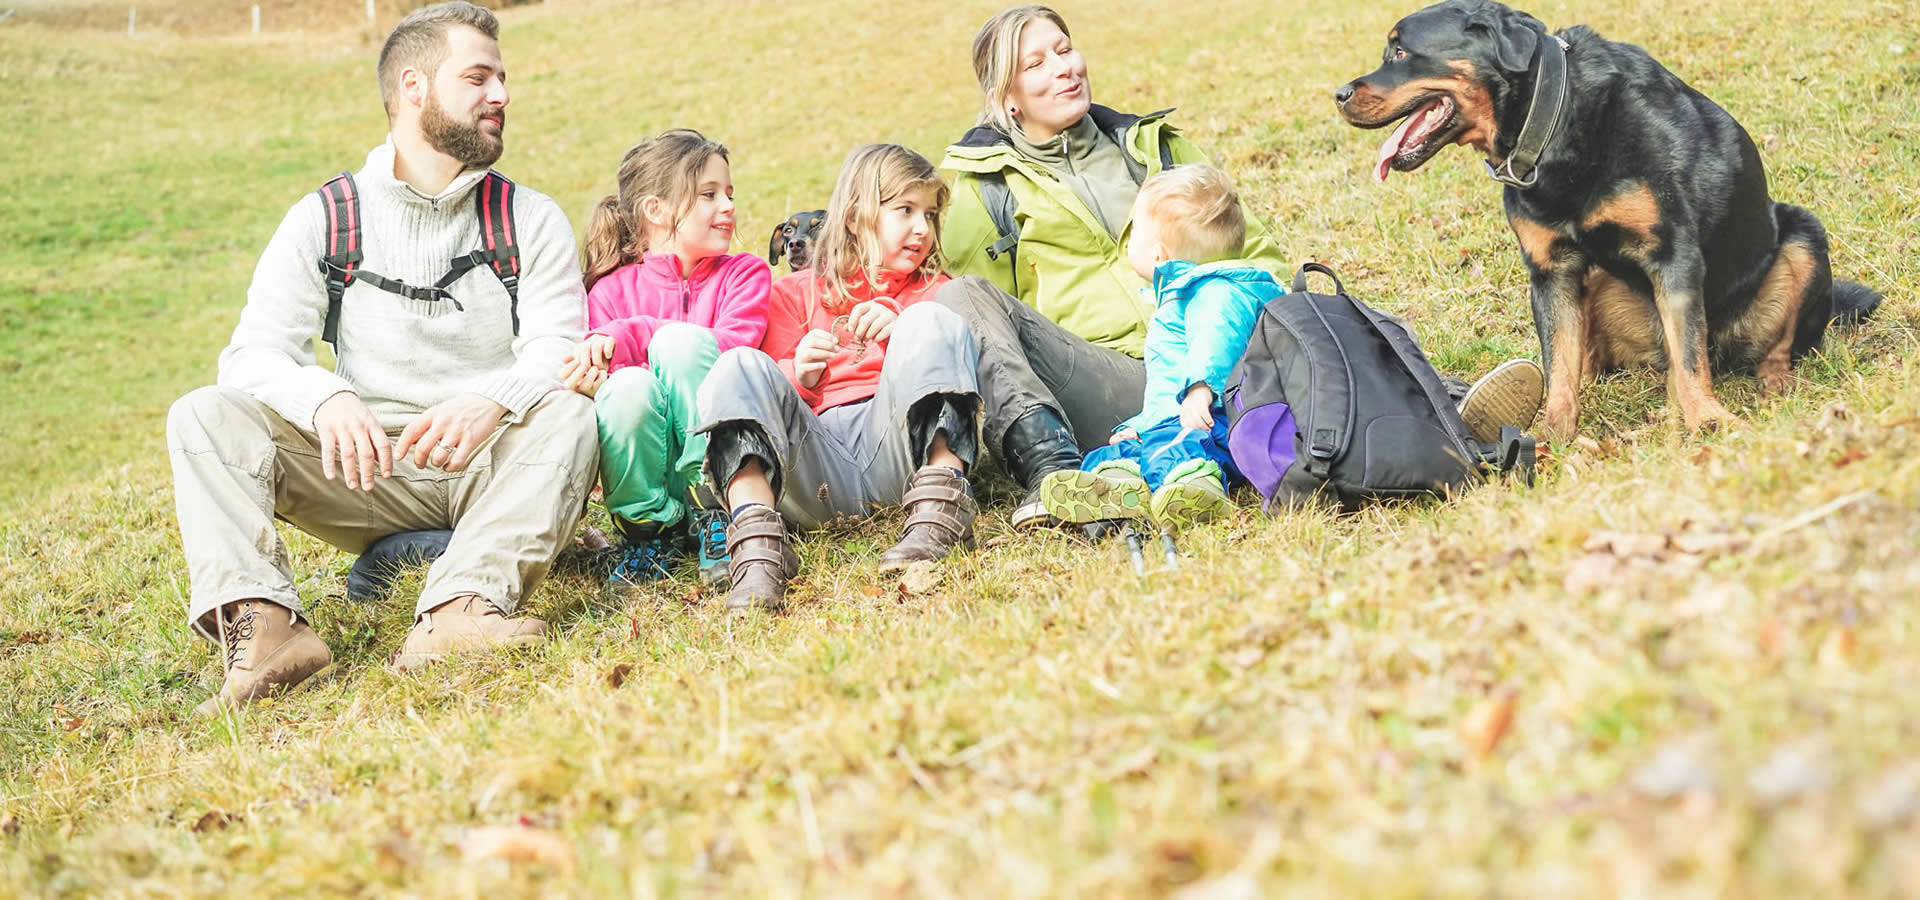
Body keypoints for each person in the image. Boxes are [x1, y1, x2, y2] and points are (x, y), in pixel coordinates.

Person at [938, 5, 1544, 526]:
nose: (1064, 67)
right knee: (964, 296)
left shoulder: (1156, 148)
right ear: (1006, 97)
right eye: (1035, 63)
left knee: (1289, 314)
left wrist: (1236, 338)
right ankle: (1055, 475)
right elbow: (991, 335)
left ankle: (1444, 407)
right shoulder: (983, 191)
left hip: (1220, 357)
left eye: (1065, 49)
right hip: (1116, 379)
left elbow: (1253, 254)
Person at [164, 1, 598, 718]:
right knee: (203, 415)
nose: (502, 96)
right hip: (363, 473)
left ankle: (460, 612)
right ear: (412, 87)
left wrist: (493, 399)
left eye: (502, 79)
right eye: (479, 77)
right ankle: (268, 630)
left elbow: (557, 346)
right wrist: (325, 399)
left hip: (492, 466)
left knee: (571, 414)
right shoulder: (327, 217)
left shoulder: (531, 217)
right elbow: (251, 355)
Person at [694, 144, 983, 612]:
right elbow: (760, 394)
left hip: (899, 453)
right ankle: (757, 553)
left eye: (929, 215)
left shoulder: (935, 291)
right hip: (813, 464)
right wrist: (798, 372)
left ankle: (941, 516)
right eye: (905, 211)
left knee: (934, 321)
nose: (920, 229)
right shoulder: (792, 292)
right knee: (737, 365)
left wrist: (901, 330)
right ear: (854, 218)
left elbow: (958, 367)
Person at [562, 129, 772, 587]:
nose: (728, 207)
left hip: (727, 464)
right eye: (709, 195)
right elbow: (613, 393)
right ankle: (647, 532)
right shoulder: (610, 293)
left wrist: (633, 334)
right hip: (650, 469)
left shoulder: (745, 274)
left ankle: (716, 513)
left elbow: (736, 347)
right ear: (655, 211)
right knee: (628, 388)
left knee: (681, 344)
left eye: (729, 194)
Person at [1038, 165, 1273, 530]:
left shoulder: (1215, 292)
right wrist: (1140, 422)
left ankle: (1194, 487)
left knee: (1180, 446)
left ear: (1160, 255)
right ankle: (1113, 480)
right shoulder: (1185, 295)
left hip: (1212, 412)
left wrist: (1199, 389)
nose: (1127, 241)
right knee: (1131, 446)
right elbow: (1165, 381)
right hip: (1174, 411)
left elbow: (1216, 340)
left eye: (1133, 235)